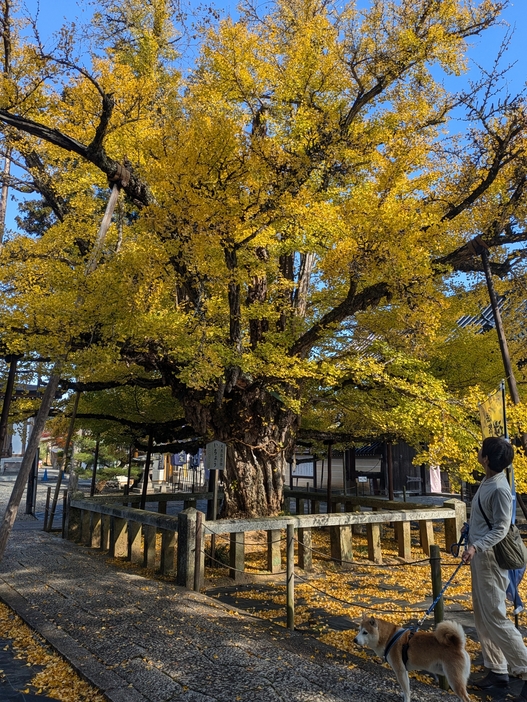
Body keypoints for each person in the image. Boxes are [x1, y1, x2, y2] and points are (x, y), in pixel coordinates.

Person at [462, 436, 527, 700]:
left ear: (486, 459)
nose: (479, 453)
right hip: (478, 555)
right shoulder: (489, 481)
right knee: (482, 615)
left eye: (482, 451)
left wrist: (477, 546)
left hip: (489, 557)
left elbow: (501, 527)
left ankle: (523, 667)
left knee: (496, 618)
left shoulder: (500, 487)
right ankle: (497, 669)